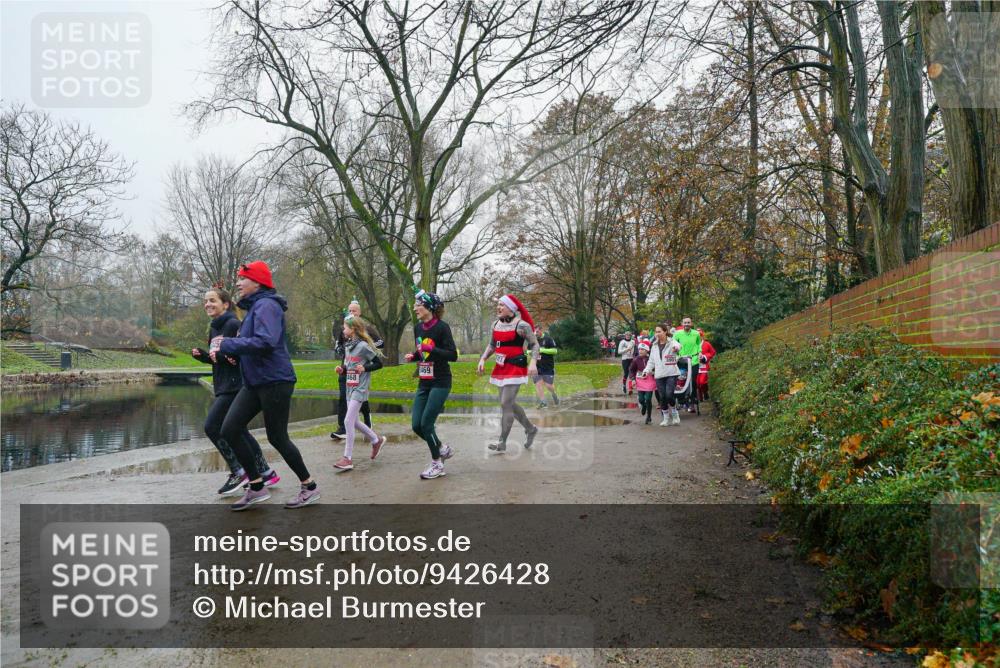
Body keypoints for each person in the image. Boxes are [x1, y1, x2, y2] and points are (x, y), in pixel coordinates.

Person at [210, 261, 319, 511]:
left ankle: (309, 486)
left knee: (277, 437)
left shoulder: (267, 305)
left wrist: (227, 344)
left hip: (275, 381)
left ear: (257, 281)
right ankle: (257, 487)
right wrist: (228, 350)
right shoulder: (255, 308)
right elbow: (251, 345)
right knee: (229, 428)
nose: (237, 283)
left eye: (242, 278)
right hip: (256, 382)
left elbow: (266, 341)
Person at [191, 286, 278, 496]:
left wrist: (220, 356)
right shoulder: (214, 327)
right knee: (238, 431)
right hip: (223, 384)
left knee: (212, 426)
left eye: (212, 300)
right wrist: (204, 356)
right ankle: (265, 472)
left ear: (225, 304)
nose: (208, 304)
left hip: (235, 385)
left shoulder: (232, 324)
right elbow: (219, 357)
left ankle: (239, 470)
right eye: (206, 301)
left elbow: (240, 355)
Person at [404, 289, 458, 479]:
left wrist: (432, 348)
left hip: (441, 381)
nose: (414, 308)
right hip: (424, 382)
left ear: (428, 307)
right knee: (416, 425)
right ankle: (442, 448)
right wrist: (415, 355)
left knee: (427, 423)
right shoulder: (418, 328)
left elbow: (453, 355)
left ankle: (437, 464)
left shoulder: (442, 327)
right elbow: (422, 350)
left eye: (418, 305)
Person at [477, 294, 540, 453]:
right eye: (498, 304)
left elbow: (534, 345)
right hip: (500, 368)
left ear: (511, 308)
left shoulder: (522, 325)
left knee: (506, 403)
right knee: (508, 404)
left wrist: (533, 362)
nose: (498, 307)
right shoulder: (495, 324)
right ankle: (530, 428)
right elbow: (492, 345)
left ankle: (502, 442)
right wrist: (483, 359)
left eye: (502, 305)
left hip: (515, 368)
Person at [332, 315, 387, 472]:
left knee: (348, 421)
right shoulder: (349, 346)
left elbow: (378, 363)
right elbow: (350, 367)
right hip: (350, 387)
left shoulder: (363, 346)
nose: (343, 330)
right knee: (354, 422)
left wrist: (366, 368)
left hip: (360, 389)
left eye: (345, 327)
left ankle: (347, 458)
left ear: (353, 329)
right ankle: (376, 440)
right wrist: (341, 370)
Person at [330, 298, 383, 440]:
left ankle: (368, 424)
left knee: (361, 402)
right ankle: (343, 429)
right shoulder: (346, 329)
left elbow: (380, 343)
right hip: (346, 368)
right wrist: (342, 362)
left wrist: (365, 348)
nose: (351, 312)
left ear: (359, 312)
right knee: (343, 398)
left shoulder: (366, 328)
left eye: (354, 310)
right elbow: (339, 346)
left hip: (360, 372)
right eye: (350, 310)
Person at [639, 322, 682, 426]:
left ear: (665, 332)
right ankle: (666, 418)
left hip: (671, 373)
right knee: (662, 397)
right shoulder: (654, 346)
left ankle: (675, 414)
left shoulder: (671, 342)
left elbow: (678, 346)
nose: (657, 334)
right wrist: (646, 371)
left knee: (669, 395)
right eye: (656, 332)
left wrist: (676, 349)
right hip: (659, 375)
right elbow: (651, 362)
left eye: (659, 331)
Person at [673, 317, 703, 412]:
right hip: (681, 360)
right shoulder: (677, 334)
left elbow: (698, 345)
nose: (686, 324)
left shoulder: (696, 333)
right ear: (682, 323)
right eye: (685, 322)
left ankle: (692, 401)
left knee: (692, 381)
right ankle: (681, 400)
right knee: (681, 379)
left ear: (691, 323)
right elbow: (673, 345)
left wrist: (700, 352)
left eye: (688, 322)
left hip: (693, 360)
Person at [532, 324, 559, 408]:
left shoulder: (548, 339)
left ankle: (554, 394)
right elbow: (528, 351)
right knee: (538, 384)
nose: (535, 333)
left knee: (548, 386)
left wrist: (542, 350)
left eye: (537, 331)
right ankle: (543, 402)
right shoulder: (533, 341)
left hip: (548, 367)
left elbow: (554, 351)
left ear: (541, 330)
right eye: (534, 332)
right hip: (537, 367)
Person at [629, 341, 656, 424]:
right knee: (641, 399)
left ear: (647, 350)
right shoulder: (636, 359)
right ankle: (643, 406)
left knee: (648, 399)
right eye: (639, 349)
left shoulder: (651, 359)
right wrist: (633, 379)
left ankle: (649, 417)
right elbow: (631, 370)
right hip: (640, 380)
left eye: (643, 349)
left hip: (650, 380)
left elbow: (657, 367)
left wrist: (654, 372)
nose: (640, 351)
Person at [696, 328, 717, 402]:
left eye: (700, 335)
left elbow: (713, 352)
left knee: (702, 382)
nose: (699, 337)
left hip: (704, 366)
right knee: (697, 383)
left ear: (702, 336)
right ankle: (700, 397)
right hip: (695, 366)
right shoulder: (693, 345)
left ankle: (705, 392)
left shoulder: (706, 344)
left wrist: (706, 357)